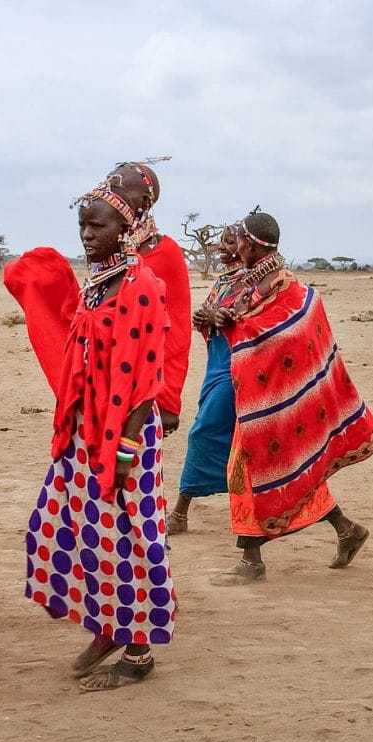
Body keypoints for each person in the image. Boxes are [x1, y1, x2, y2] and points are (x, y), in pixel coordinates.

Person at [18, 178, 176, 691]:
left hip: (125, 434)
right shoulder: (97, 282)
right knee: (77, 528)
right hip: (86, 428)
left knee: (131, 537)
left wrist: (127, 450)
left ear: (126, 228)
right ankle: (107, 625)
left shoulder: (142, 286)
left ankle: (139, 652)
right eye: (81, 224)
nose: (86, 234)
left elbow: (146, 379)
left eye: (96, 224)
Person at [196, 209, 373, 586]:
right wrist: (217, 321)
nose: (235, 245)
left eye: (240, 239)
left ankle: (251, 561)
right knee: (286, 469)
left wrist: (234, 323)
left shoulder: (284, 284)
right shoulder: (253, 282)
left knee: (248, 469)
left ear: (251, 243)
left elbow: (287, 329)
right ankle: (347, 530)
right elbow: (242, 322)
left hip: (280, 396)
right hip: (260, 395)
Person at [167, 224, 247, 534]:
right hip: (216, 366)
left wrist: (221, 318)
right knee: (239, 444)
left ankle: (180, 512)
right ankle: (343, 525)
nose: (222, 247)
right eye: (222, 241)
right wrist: (204, 319)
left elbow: (248, 321)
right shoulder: (223, 282)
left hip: (234, 370)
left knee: (201, 433)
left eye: (230, 242)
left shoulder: (252, 281)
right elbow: (213, 319)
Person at [105, 159, 191, 436]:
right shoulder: (105, 249)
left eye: (117, 187)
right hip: (102, 383)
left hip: (144, 390)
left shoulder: (166, 253)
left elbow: (177, 331)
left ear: (143, 200)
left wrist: (168, 399)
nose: (108, 193)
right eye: (107, 185)